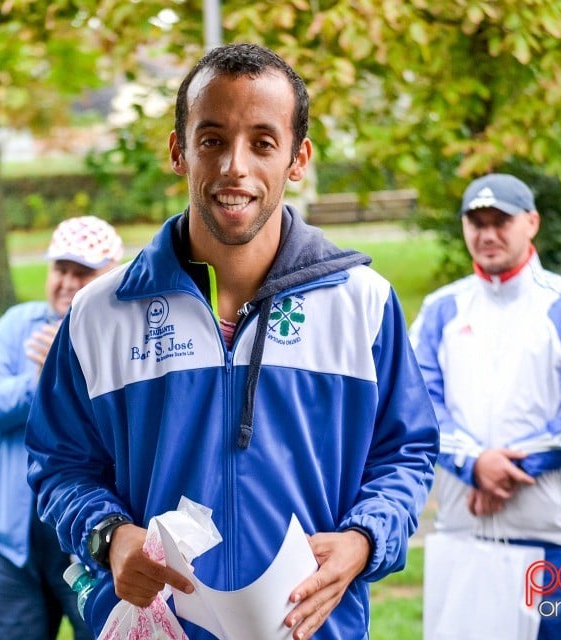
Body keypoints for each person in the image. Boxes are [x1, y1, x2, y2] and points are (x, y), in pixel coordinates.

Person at [24, 42, 439, 640]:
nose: (234, 167)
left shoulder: (363, 303)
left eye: (263, 143)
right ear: (179, 151)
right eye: (212, 139)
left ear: (299, 159)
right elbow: (59, 464)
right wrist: (110, 535)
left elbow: (406, 452)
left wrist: (364, 539)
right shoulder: (99, 313)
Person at [409, 173, 561, 640]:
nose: (487, 234)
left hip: (554, 536)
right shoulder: (441, 309)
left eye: (500, 221)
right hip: (464, 530)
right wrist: (474, 463)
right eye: (476, 222)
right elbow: (417, 406)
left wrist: (505, 468)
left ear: (532, 223)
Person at [0, 215, 123, 640]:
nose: (67, 282)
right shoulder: (19, 326)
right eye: (60, 269)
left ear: (110, 276)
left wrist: (70, 372)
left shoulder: (124, 335)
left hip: (96, 546)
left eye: (82, 272)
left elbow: (128, 424)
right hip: (18, 550)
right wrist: (37, 384)